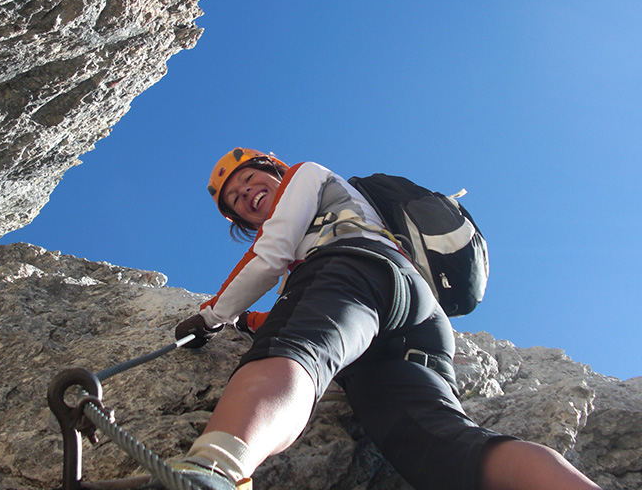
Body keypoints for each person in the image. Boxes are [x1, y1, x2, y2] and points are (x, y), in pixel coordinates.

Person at [162, 148, 601, 490]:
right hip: (415, 314)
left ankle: (211, 470)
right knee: (445, 445)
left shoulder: (306, 175)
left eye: (248, 178)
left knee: (294, 353)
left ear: (274, 168)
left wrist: (212, 316)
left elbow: (270, 257)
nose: (245, 194)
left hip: (358, 272)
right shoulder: (322, 238)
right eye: (235, 199)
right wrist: (248, 321)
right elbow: (302, 309)